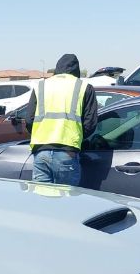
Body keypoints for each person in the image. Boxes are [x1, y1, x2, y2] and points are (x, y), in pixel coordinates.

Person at [26, 54, 98, 186]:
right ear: (76, 70)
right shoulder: (83, 87)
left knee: (42, 200)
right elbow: (90, 124)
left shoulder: (40, 86)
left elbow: (29, 120)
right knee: (66, 202)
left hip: (41, 152)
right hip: (67, 151)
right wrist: (76, 138)